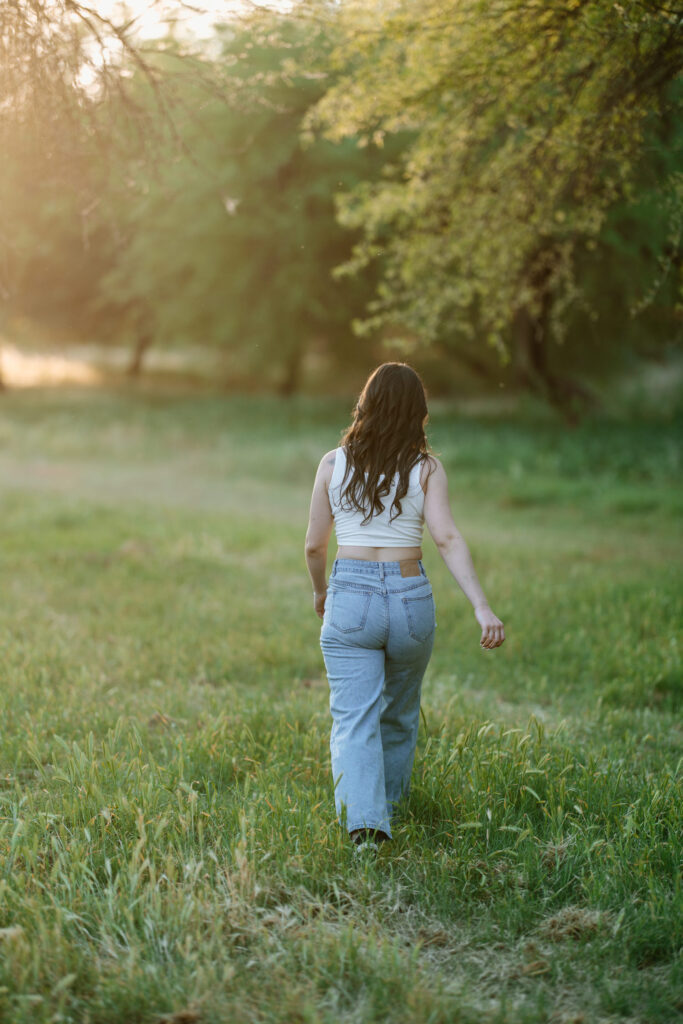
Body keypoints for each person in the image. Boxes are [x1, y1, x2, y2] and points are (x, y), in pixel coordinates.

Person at [304, 363, 505, 852]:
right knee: (397, 714)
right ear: (419, 411)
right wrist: (482, 607)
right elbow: (446, 537)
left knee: (353, 719)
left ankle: (366, 830)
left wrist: (319, 592)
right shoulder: (426, 467)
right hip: (410, 596)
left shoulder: (333, 464)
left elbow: (313, 546)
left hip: (350, 593)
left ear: (365, 403)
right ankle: (387, 809)